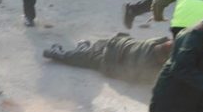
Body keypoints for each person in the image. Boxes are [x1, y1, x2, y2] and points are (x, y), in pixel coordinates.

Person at [43, 34, 174, 84]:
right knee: (84, 60)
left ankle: (83, 48)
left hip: (117, 43)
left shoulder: (156, 41)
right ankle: (57, 54)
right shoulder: (151, 67)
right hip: (109, 61)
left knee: (89, 53)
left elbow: (169, 41)